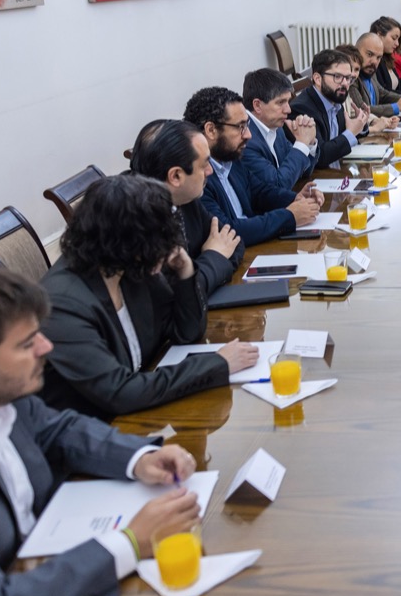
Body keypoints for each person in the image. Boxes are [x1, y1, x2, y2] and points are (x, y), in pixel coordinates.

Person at [0, 263, 203, 596]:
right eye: (27, 344)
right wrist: (129, 544)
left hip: (43, 562)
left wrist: (139, 459)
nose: (46, 347)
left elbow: (57, 429)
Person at [37, 175, 259, 419]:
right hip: (99, 430)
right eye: (158, 238)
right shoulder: (63, 304)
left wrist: (185, 275)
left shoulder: (127, 267)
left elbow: (186, 332)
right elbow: (121, 392)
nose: (167, 246)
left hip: (142, 412)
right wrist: (216, 364)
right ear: (125, 241)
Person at [184, 86, 322, 245]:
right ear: (211, 130)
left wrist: (295, 198)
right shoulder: (196, 176)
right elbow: (227, 232)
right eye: (240, 127)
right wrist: (290, 216)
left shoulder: (231, 159)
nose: (248, 135)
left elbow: (259, 193)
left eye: (247, 126)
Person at [128, 119, 241, 297]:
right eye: (204, 165)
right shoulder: (136, 221)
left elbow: (233, 242)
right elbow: (177, 294)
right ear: (176, 176)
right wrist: (214, 257)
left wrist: (205, 269)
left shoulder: (185, 197)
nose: (210, 171)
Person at [289, 48, 373, 168]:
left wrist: (360, 124)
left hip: (336, 172)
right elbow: (320, 156)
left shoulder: (334, 99)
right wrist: (351, 132)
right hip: (317, 180)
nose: (345, 83)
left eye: (348, 78)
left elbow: (341, 139)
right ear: (318, 79)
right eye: (337, 76)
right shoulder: (302, 109)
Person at [241, 67, 320, 191]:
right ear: (257, 105)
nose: (288, 109)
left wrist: (309, 143)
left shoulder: (276, 127)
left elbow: (303, 171)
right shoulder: (246, 140)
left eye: (288, 101)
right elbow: (277, 186)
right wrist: (301, 143)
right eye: (280, 102)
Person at [351, 32, 401, 118]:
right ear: (356, 51)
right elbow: (360, 109)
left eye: (378, 57)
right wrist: (396, 107)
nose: (374, 61)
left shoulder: (370, 71)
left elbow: (383, 94)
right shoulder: (351, 78)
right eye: (369, 54)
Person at [335, 44, 398, 135]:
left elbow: (354, 112)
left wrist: (377, 120)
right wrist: (373, 128)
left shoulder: (346, 90)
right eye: (349, 69)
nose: (352, 74)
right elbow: (341, 130)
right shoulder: (336, 92)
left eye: (356, 69)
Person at [369, 16, 401, 93]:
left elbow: (397, 83)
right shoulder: (374, 61)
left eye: (398, 39)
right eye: (393, 38)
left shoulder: (387, 58)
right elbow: (384, 93)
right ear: (379, 35)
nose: (397, 43)